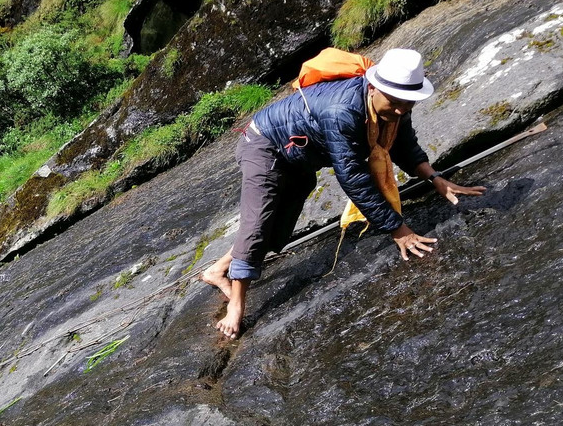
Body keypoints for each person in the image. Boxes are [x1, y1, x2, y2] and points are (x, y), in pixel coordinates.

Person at [202, 48, 486, 340]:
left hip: (300, 154)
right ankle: (236, 305)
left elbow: (404, 144)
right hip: (264, 144)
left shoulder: (395, 106)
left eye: (408, 104)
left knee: (279, 223)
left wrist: (437, 179)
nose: (401, 111)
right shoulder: (343, 111)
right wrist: (398, 229)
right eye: (396, 103)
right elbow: (352, 177)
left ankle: (217, 270)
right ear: (374, 87)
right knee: (257, 221)